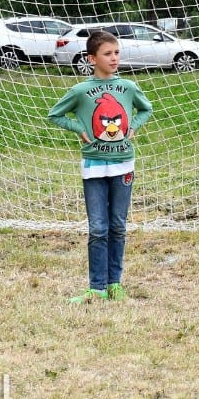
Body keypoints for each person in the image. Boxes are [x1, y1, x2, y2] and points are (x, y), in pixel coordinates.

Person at [48, 31, 153, 303]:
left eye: (116, 52)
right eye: (108, 54)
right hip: (94, 167)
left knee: (117, 226)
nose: (114, 58)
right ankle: (96, 287)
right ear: (92, 58)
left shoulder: (128, 87)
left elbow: (146, 109)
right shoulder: (81, 91)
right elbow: (55, 114)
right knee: (98, 228)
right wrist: (78, 128)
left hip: (123, 165)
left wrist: (133, 127)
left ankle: (115, 284)